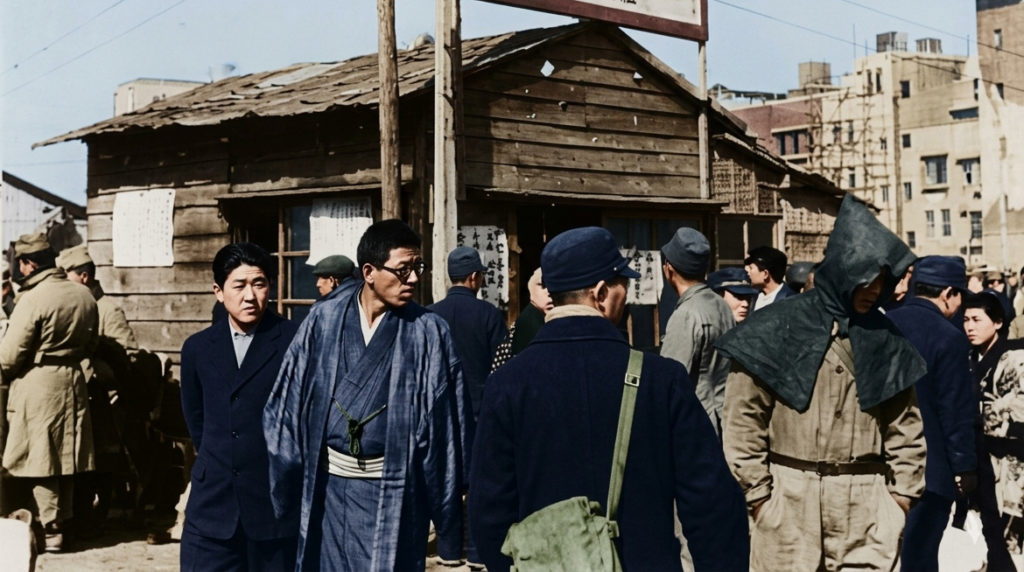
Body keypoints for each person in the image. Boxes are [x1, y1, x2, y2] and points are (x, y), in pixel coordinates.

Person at [469, 226, 749, 572]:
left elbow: (488, 510)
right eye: (623, 285)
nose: (627, 296)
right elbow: (713, 506)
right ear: (601, 293)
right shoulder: (662, 380)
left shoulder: (506, 384)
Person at [718, 196, 927, 571]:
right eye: (866, 278)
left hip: (867, 511)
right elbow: (742, 420)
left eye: (882, 280)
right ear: (844, 271)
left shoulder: (885, 339)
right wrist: (761, 496)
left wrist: (899, 502)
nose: (874, 290)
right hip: (787, 504)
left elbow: (906, 429)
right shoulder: (774, 327)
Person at [264, 219, 466, 570]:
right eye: (403, 270)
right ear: (369, 271)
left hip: (396, 494)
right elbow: (286, 404)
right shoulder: (323, 320)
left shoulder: (429, 331)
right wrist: (287, 485)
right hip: (328, 491)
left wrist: (447, 518)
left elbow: (445, 429)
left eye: (417, 268)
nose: (414, 279)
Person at [178, 243, 300, 571]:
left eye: (259, 284)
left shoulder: (293, 341)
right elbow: (197, 420)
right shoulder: (198, 348)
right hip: (213, 505)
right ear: (219, 291)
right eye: (239, 285)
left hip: (273, 507)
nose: (250, 295)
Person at [0, 233, 99, 552]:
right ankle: (65, 523)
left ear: (28, 265)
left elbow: (8, 357)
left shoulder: (34, 298)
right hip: (74, 380)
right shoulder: (83, 295)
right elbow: (93, 344)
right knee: (67, 456)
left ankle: (49, 528)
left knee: (41, 457)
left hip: (39, 383)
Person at [886, 256, 977, 571]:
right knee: (921, 559)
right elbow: (955, 409)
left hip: (883, 466)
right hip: (931, 471)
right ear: (949, 293)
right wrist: (965, 467)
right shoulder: (949, 337)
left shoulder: (886, 323)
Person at [428, 246, 506, 566]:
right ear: (475, 277)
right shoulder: (489, 314)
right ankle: (475, 553)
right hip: (480, 408)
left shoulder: (430, 314)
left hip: (440, 410)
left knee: (444, 477)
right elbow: (502, 366)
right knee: (478, 483)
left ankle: (447, 551)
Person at [56, 244, 139, 537]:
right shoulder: (72, 308)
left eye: (65, 277)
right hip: (77, 398)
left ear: (83, 277)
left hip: (102, 400)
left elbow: (127, 357)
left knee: (101, 462)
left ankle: (96, 520)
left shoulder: (107, 310)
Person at [963, 291, 1024, 567]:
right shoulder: (968, 358)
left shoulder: (1014, 358)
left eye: (977, 319)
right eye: (965, 319)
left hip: (1011, 462)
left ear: (998, 322)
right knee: (990, 533)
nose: (969, 326)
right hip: (980, 458)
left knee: (1007, 538)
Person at [660, 227, 735, 433]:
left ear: (669, 268)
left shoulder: (686, 313)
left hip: (696, 421)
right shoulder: (721, 305)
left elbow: (669, 382)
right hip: (723, 415)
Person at [490, 268, 552, 371]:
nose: (548, 293)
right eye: (542, 286)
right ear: (531, 288)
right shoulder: (530, 321)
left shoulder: (537, 317)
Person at [744, 245, 796, 311]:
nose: (748, 272)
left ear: (765, 274)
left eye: (751, 268)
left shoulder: (791, 301)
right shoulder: (753, 297)